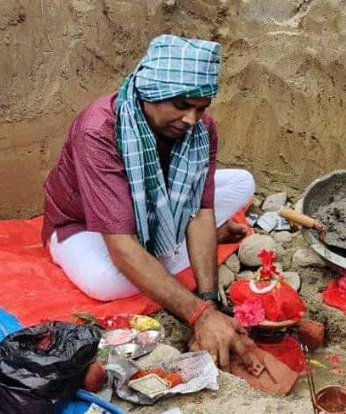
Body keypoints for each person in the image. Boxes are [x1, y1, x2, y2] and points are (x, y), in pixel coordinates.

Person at [41, 34, 255, 367]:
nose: (191, 120)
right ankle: (172, 251)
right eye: (182, 105)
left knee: (243, 182)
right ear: (151, 92)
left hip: (158, 210)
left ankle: (172, 249)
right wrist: (196, 315)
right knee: (105, 281)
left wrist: (209, 302)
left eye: (201, 107)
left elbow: (199, 212)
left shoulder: (200, 129)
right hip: (84, 227)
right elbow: (122, 244)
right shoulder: (98, 129)